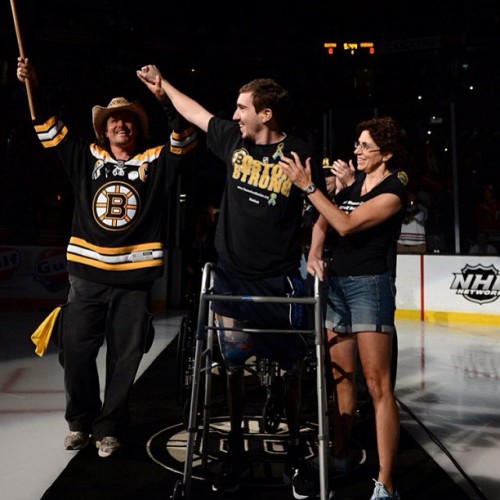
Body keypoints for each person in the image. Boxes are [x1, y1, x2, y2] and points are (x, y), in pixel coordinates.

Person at [137, 65, 326, 493]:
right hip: (231, 279)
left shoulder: (298, 151)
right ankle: (237, 443)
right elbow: (198, 114)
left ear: (266, 113)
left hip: (278, 281)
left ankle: (296, 446)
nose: (235, 115)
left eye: (243, 108)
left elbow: (318, 208)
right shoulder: (231, 142)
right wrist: (163, 87)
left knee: (290, 369)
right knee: (233, 367)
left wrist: (314, 252)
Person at [17, 57, 197, 458]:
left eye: (128, 119)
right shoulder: (85, 158)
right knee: (76, 353)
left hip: (134, 282)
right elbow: (46, 125)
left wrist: (164, 96)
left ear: (137, 128)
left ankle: (110, 426)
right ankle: (80, 421)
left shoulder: (154, 162)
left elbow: (183, 139)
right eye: (114, 120)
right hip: (87, 277)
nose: (121, 123)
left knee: (125, 359)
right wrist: (33, 83)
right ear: (103, 128)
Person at [280, 116, 407, 500]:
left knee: (377, 385)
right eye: (357, 144)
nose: (357, 151)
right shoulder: (353, 185)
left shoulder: (392, 192)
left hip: (371, 288)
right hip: (336, 286)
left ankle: (385, 483)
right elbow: (324, 222)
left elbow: (347, 224)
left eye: (365, 146)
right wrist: (316, 251)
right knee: (340, 378)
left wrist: (309, 186)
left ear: (385, 153)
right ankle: (340, 454)